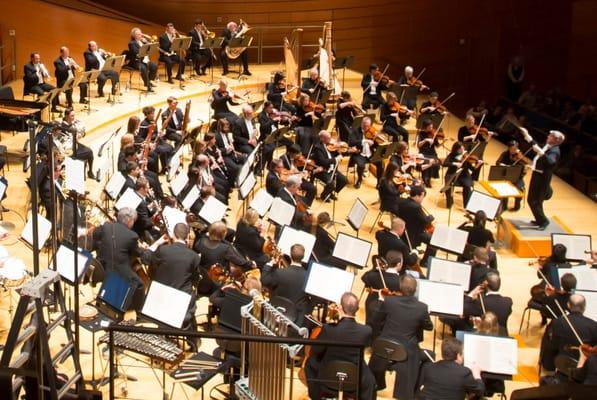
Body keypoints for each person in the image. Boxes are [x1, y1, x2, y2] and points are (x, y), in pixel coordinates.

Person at [369, 275, 434, 399]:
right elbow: (429, 327)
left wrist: (380, 301)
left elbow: (376, 320)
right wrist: (425, 315)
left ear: (400, 287)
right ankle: (407, 393)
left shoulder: (389, 301)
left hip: (385, 346)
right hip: (406, 351)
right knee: (422, 353)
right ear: (415, 290)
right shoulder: (422, 308)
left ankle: (377, 385)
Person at [304, 292, 377, 400]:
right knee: (370, 378)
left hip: (330, 375)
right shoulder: (366, 331)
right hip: (354, 376)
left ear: (340, 308)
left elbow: (315, 351)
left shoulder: (329, 329)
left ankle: (317, 397)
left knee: (310, 363)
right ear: (357, 309)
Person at [141, 223, 201, 330]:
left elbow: (147, 262)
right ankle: (191, 338)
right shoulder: (194, 256)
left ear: (173, 235)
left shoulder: (163, 250)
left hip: (159, 297)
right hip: (180, 300)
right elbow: (195, 280)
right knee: (192, 297)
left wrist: (157, 243)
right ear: (187, 237)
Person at [92, 207, 145, 310]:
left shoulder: (106, 227)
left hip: (101, 267)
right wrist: (144, 248)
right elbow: (137, 252)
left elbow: (95, 235)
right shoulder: (132, 235)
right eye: (133, 221)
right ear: (129, 221)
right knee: (140, 284)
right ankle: (138, 313)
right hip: (118, 271)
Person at [520, 128, 565, 229]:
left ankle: (544, 221)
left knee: (535, 201)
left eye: (551, 136)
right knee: (531, 199)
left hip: (542, 179)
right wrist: (527, 135)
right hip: (537, 174)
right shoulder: (548, 146)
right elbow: (535, 146)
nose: (548, 136)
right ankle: (539, 219)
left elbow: (550, 161)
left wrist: (541, 152)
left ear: (556, 140)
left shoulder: (555, 151)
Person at [540, 294, 597, 373]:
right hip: (584, 370)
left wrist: (546, 364)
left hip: (560, 365)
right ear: (584, 307)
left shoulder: (556, 323)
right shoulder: (594, 326)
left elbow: (547, 344)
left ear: (568, 305)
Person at [417, 337, 485, 399]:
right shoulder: (464, 373)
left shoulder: (428, 367)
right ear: (458, 355)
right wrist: (477, 375)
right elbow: (480, 390)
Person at [261, 244, 312, 325]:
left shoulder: (279, 272)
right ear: (303, 257)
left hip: (278, 313)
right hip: (298, 320)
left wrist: (270, 264)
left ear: (290, 256)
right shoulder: (308, 277)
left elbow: (264, 281)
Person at [361, 250, 402, 330]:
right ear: (398, 264)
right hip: (389, 314)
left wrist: (375, 269)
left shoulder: (374, 276)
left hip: (372, 309)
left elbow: (364, 277)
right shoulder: (401, 281)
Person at [443, 141, 482, 209]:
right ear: (456, 149)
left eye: (463, 149)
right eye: (460, 149)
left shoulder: (466, 157)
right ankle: (450, 202)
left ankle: (466, 205)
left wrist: (477, 165)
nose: (462, 151)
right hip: (452, 173)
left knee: (467, 186)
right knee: (448, 185)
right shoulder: (451, 155)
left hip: (464, 175)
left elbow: (472, 169)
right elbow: (444, 164)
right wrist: (455, 164)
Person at [60, 108, 96, 180]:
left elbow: (80, 133)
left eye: (74, 115)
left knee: (90, 151)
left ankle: (90, 172)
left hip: (75, 145)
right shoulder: (64, 127)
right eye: (72, 116)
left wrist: (82, 133)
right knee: (88, 152)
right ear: (66, 116)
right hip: (69, 150)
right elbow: (69, 140)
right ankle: (82, 177)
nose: (74, 118)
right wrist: (78, 136)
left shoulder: (72, 123)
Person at [348, 116, 384, 188]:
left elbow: (376, 145)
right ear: (361, 124)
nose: (366, 128)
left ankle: (379, 182)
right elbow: (351, 142)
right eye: (364, 126)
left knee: (381, 163)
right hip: (359, 153)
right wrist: (364, 141)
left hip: (370, 153)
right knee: (361, 165)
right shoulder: (355, 131)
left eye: (368, 126)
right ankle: (359, 180)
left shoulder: (372, 131)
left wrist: (377, 139)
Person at [312, 130, 348, 201]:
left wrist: (338, 150)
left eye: (330, 137)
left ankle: (330, 192)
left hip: (332, 169)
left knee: (344, 180)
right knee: (331, 183)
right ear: (322, 139)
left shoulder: (331, 146)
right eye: (328, 138)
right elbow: (323, 162)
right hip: (323, 171)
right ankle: (324, 195)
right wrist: (335, 159)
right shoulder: (318, 148)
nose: (330, 139)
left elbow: (340, 154)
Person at [138, 106, 174, 174]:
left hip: (157, 140)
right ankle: (164, 169)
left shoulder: (154, 121)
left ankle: (168, 166)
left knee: (170, 147)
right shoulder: (143, 124)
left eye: (153, 113)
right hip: (151, 143)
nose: (153, 115)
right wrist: (149, 143)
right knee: (164, 151)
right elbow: (140, 137)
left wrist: (160, 134)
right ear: (147, 114)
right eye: (152, 113)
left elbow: (156, 132)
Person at [495, 140, 526, 211]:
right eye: (512, 149)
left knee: (519, 188)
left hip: (517, 178)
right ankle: (504, 205)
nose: (513, 150)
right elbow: (497, 162)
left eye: (515, 149)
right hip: (506, 177)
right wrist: (505, 166)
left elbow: (523, 171)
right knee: (505, 188)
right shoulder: (505, 154)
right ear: (509, 148)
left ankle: (517, 205)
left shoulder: (519, 157)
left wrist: (524, 170)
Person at [128, 27, 158, 91]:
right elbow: (136, 52)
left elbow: (150, 47)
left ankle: (149, 82)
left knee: (154, 67)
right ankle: (148, 86)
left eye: (140, 33)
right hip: (136, 61)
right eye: (138, 34)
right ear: (134, 35)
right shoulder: (132, 43)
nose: (140, 35)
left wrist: (147, 42)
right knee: (143, 68)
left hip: (145, 60)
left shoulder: (142, 41)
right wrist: (144, 46)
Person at [416, 119, 441, 187]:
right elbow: (418, 145)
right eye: (429, 127)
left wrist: (442, 142)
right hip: (423, 153)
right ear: (425, 127)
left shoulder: (433, 133)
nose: (431, 129)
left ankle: (428, 178)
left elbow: (437, 145)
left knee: (435, 164)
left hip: (432, 153)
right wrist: (425, 140)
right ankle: (426, 178)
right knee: (427, 162)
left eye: (432, 127)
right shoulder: (420, 133)